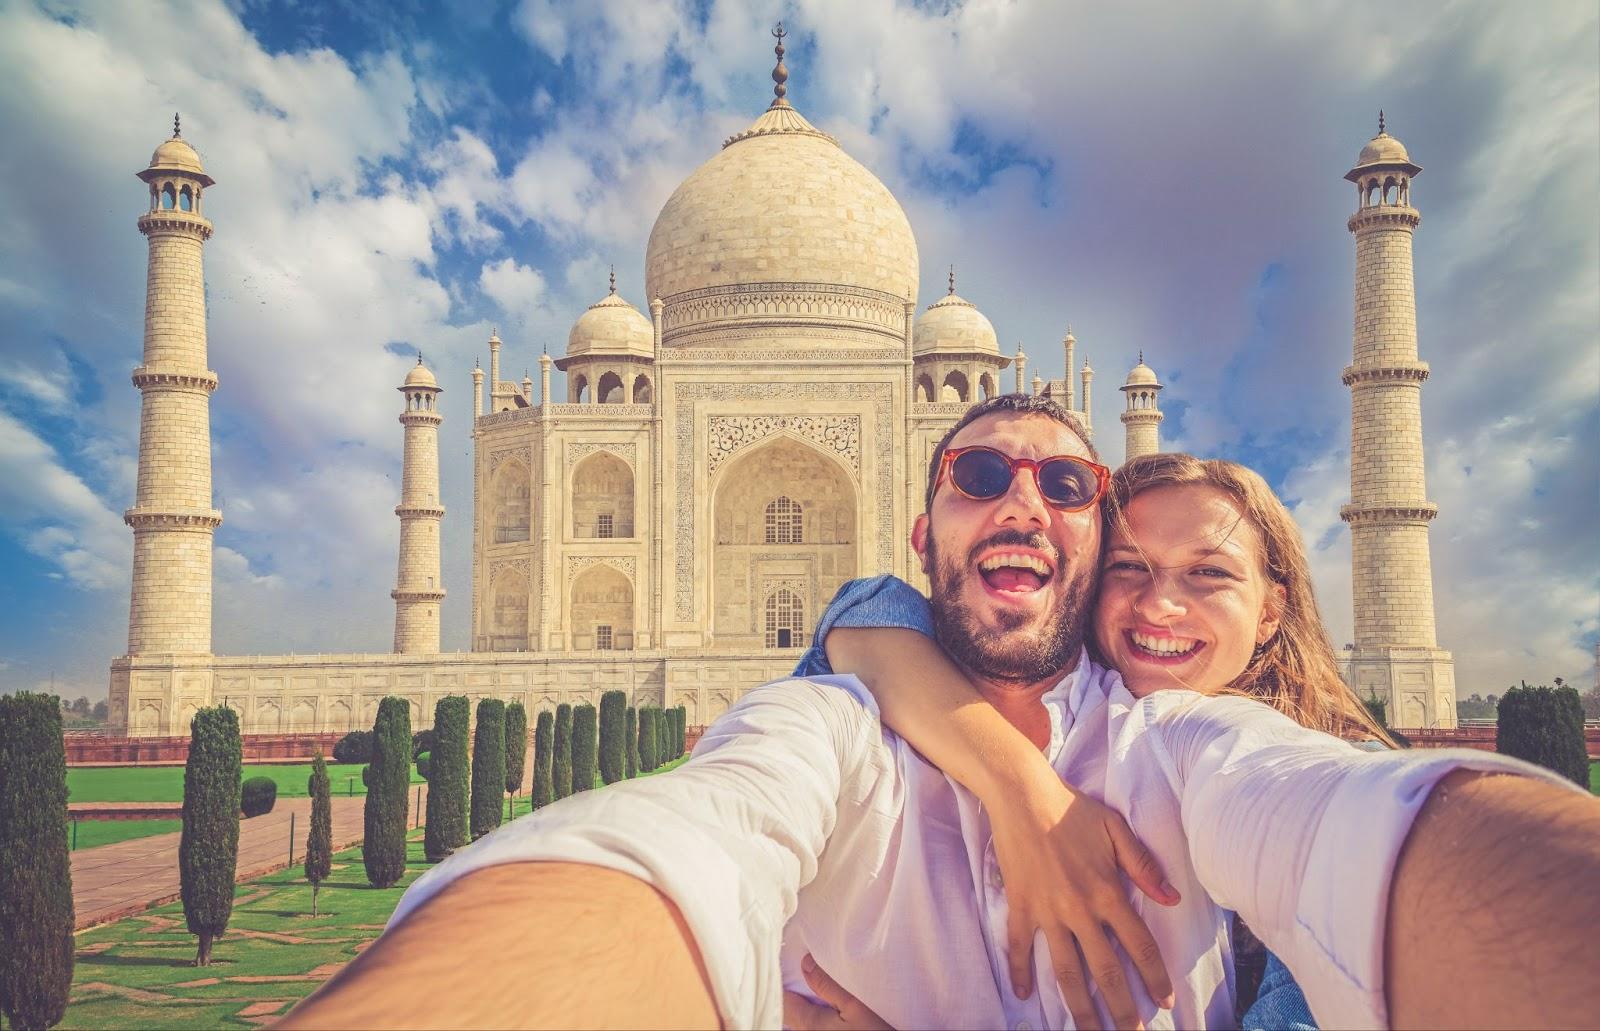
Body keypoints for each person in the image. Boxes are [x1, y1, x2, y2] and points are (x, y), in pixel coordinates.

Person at [279, 395, 1598, 1031]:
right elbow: (675, 848)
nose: (1021, 498)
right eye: (980, 473)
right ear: (922, 534)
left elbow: (1365, 825)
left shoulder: (1177, 735)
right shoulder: (842, 717)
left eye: (1068, 483)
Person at [782, 451, 1394, 1029]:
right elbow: (875, 604)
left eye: (1208, 573)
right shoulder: (1058, 724)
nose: (1162, 604)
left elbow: (1365, 844)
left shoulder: (1304, 769)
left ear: (1269, 610)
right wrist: (1022, 784)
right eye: (1128, 567)